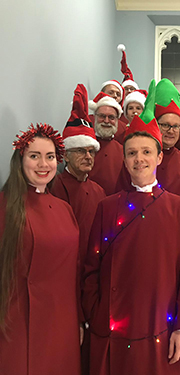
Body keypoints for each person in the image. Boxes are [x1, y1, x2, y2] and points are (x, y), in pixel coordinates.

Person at [82, 80, 180, 375]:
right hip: (110, 330)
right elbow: (92, 265)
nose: (139, 159)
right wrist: (95, 311)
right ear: (124, 159)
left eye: (147, 152)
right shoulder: (107, 207)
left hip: (160, 330)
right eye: (131, 153)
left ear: (159, 157)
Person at [0, 123, 81, 375]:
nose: (43, 164)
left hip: (62, 324)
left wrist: (79, 321)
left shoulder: (64, 209)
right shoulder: (4, 206)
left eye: (49, 156)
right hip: (18, 322)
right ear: (20, 159)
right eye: (34, 156)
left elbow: (74, 270)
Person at [51, 84, 106, 265]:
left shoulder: (99, 191)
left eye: (91, 151)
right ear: (65, 154)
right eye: (81, 151)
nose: (88, 156)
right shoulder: (54, 187)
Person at [88, 92, 125, 195]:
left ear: (117, 120)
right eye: (102, 116)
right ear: (95, 117)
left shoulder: (123, 151)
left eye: (111, 117)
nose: (106, 121)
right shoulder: (86, 148)